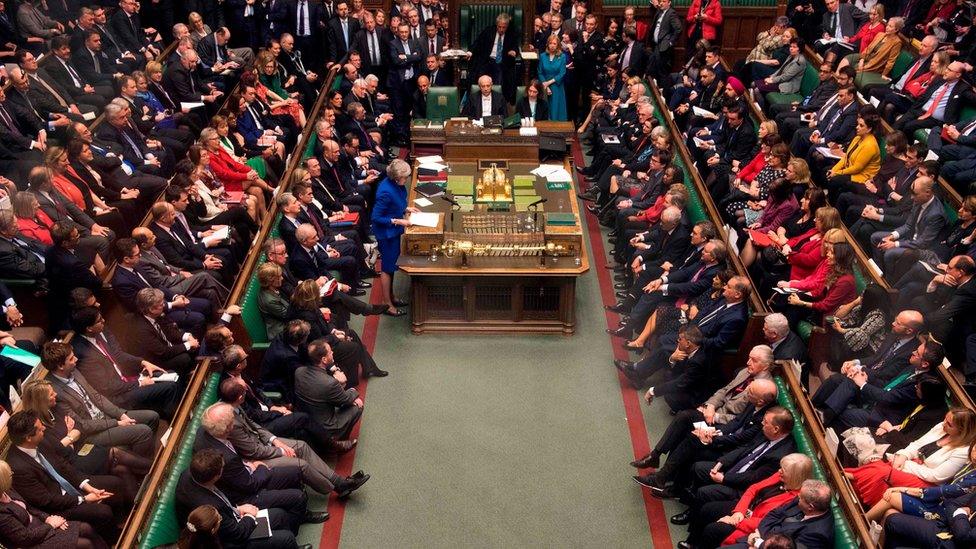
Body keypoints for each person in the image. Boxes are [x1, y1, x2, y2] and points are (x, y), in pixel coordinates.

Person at [845, 408, 976, 506]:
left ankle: (846, 476)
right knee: (878, 466)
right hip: (913, 465)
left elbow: (936, 477)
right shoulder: (940, 428)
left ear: (962, 430)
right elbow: (916, 445)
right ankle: (849, 491)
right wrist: (903, 455)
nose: (943, 424)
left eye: (949, 424)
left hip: (926, 484)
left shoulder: (963, 451)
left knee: (882, 470)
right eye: (945, 419)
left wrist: (907, 464)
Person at [690, 453, 814, 548]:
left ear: (795, 477)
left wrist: (737, 521)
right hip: (747, 510)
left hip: (754, 528)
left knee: (713, 530)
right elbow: (753, 488)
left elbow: (768, 522)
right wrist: (739, 512)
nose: (779, 471)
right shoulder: (780, 475)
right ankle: (692, 542)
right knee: (708, 509)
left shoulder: (796, 499)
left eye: (784, 471)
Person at [294, 338, 364, 440]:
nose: (333, 352)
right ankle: (338, 441)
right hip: (325, 425)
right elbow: (345, 400)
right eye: (330, 352)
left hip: (305, 419)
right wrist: (352, 390)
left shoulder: (299, 371)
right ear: (324, 360)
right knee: (357, 405)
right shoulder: (330, 383)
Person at [371, 159, 415, 316]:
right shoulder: (385, 191)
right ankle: (387, 304)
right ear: (397, 178)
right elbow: (376, 217)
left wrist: (405, 208)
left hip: (394, 231)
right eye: (405, 177)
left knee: (392, 267)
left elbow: (397, 202)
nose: (407, 179)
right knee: (387, 268)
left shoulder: (395, 184)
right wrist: (397, 221)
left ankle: (392, 297)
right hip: (387, 234)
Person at [538, 35, 567, 121]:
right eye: (550, 43)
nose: (552, 45)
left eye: (554, 43)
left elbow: (562, 73)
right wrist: (545, 85)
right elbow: (540, 72)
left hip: (557, 87)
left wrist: (549, 83)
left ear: (558, 45)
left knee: (556, 110)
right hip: (544, 86)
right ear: (547, 44)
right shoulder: (543, 56)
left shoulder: (562, 56)